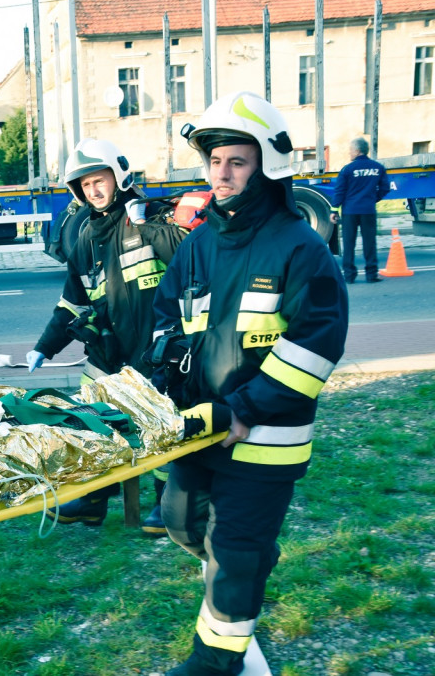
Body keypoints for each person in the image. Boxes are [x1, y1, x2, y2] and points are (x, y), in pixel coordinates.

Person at [152, 91, 349, 675]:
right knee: (181, 522)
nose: (222, 173)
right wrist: (159, 380)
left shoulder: (301, 247)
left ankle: (215, 661)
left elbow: (315, 346)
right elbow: (169, 316)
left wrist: (241, 410)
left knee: (233, 554)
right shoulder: (200, 242)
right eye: (215, 162)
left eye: (236, 161)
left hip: (263, 439)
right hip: (197, 428)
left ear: (266, 165)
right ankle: (251, 555)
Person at [27, 138, 188, 531]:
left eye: (99, 180)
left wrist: (150, 224)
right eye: (85, 186)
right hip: (107, 352)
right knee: (92, 422)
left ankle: (165, 503)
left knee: (159, 425)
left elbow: (189, 259)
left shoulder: (147, 220)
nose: (94, 191)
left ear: (119, 178)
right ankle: (95, 499)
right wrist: (44, 348)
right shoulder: (85, 240)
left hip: (152, 348)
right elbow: (72, 303)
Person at [331, 136, 390, 284]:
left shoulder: (347, 169)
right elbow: (385, 188)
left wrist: (334, 210)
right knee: (369, 243)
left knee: (349, 243)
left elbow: (340, 191)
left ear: (357, 151)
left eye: (350, 150)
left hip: (350, 211)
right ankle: (371, 275)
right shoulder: (378, 167)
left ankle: (349, 276)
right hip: (368, 210)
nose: (349, 153)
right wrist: (373, 199)